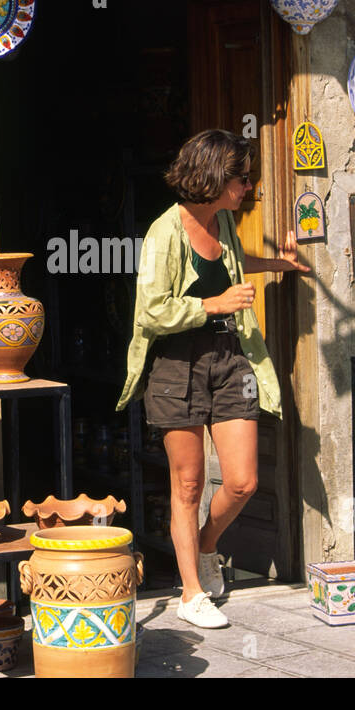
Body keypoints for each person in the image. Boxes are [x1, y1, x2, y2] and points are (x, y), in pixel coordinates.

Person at [116, 129, 310, 629]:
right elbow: (150, 311)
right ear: (212, 177)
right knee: (188, 483)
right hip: (176, 365)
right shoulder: (165, 232)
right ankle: (191, 592)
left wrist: (277, 265)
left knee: (243, 480)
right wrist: (212, 306)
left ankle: (204, 545)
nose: (249, 187)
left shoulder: (222, 220)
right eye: (241, 178)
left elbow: (232, 267)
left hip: (229, 357)